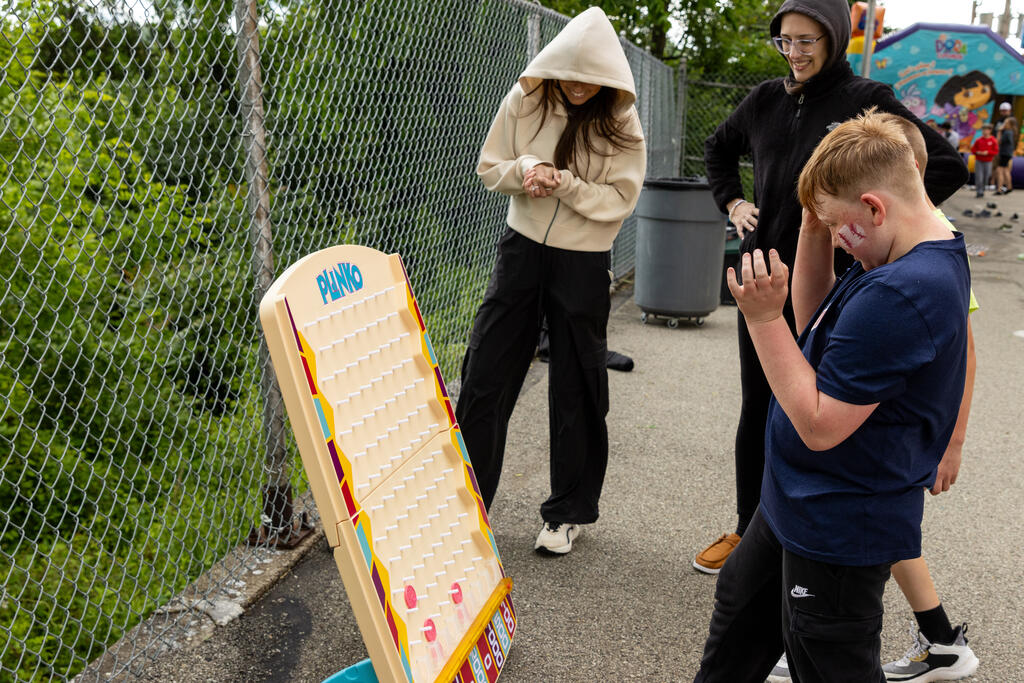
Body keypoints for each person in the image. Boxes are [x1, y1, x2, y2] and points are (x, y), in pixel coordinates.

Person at [694, 109, 972, 683]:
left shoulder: (901, 292)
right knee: (740, 615)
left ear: (874, 206)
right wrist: (814, 224)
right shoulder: (902, 249)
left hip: (838, 522)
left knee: (827, 658)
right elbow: (814, 319)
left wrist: (762, 319)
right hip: (796, 498)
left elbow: (820, 425)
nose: (838, 239)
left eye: (841, 226)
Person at [696, 0, 967, 575]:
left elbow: (941, 165)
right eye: (784, 41)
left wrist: (875, 238)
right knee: (762, 404)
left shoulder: (866, 98)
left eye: (806, 41)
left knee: (822, 411)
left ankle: (806, 541)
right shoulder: (765, 99)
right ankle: (753, 530)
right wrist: (734, 201)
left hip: (836, 287)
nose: (794, 53)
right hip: (767, 276)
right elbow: (717, 148)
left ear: (835, 38)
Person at [456, 6, 646, 555]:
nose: (579, 87)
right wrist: (526, 171)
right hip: (521, 249)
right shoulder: (525, 99)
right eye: (570, 75)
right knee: (486, 371)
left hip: (583, 260)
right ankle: (465, 505)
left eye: (592, 78)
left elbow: (621, 199)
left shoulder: (622, 123)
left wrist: (564, 184)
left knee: (577, 382)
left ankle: (566, 514)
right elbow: (491, 166)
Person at [970, 123, 998, 197]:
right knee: (979, 177)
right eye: (983, 130)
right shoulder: (978, 140)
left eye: (986, 130)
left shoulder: (993, 140)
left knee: (986, 177)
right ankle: (979, 191)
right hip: (979, 161)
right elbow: (973, 150)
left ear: (990, 131)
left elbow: (995, 151)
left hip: (988, 162)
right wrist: (977, 152)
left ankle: (982, 189)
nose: (985, 131)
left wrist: (988, 152)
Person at [994, 115, 1017, 194]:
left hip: (1004, 153)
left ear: (1010, 124)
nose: (1004, 124)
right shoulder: (1011, 132)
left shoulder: (1007, 132)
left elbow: (998, 141)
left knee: (999, 170)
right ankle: (1009, 187)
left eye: (1006, 123)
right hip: (1008, 153)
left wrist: (999, 131)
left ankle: (999, 189)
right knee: (1006, 169)